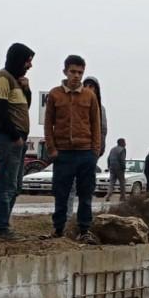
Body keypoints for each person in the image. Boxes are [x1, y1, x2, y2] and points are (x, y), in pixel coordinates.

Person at [43, 55, 102, 243]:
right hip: (63, 154)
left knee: (85, 194)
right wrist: (52, 149)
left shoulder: (90, 96)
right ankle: (58, 229)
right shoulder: (54, 95)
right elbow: (48, 124)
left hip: (85, 153)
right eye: (73, 72)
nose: (76, 76)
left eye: (80, 72)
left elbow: (96, 124)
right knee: (61, 193)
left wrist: (95, 151)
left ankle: (84, 230)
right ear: (65, 72)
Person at [0, 42, 35, 240]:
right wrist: (15, 136)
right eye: (27, 61)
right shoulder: (2, 79)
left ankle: (4, 225)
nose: (29, 66)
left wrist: (27, 90)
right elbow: (0, 110)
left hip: (17, 141)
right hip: (7, 139)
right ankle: (0, 228)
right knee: (6, 186)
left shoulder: (17, 81)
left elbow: (24, 108)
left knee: (15, 187)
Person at [82, 77, 107, 148]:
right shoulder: (75, 105)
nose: (87, 88)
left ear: (96, 90)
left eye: (91, 86)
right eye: (85, 86)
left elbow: (102, 130)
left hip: (91, 149)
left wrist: (98, 149)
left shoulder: (100, 108)